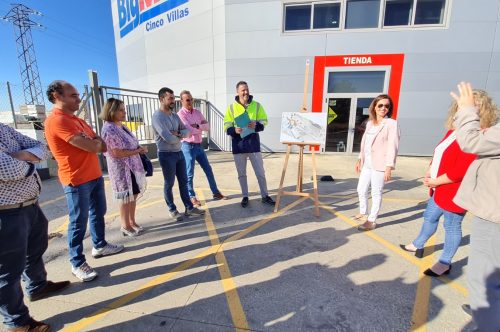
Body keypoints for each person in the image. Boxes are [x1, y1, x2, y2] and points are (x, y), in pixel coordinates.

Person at [400, 89, 497, 277]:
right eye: (463, 104)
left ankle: (445, 262)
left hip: (454, 190)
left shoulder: (479, 135)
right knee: (429, 217)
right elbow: (440, 152)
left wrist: (436, 180)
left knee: (452, 227)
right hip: (439, 188)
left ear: (482, 109)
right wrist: (430, 169)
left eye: (472, 104)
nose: (465, 107)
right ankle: (418, 244)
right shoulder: (454, 130)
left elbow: (461, 170)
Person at [45, 80, 124, 282]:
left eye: (79, 95)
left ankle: (100, 245)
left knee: (99, 212)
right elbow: (92, 146)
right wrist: (93, 143)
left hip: (94, 175)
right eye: (73, 95)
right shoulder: (57, 120)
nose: (79, 99)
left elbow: (101, 144)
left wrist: (94, 142)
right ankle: (77, 262)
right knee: (78, 222)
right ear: (57, 96)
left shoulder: (77, 120)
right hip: (76, 179)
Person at [0, 123, 70, 332]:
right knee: (8, 271)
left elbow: (42, 147)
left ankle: (37, 286)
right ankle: (18, 323)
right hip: (6, 211)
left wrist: (19, 155)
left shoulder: (4, 129)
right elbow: (7, 168)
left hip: (30, 204)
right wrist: (30, 160)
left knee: (35, 250)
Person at [451, 81, 500, 331]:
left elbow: (469, 144)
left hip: (494, 217)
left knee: (483, 282)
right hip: (491, 211)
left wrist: (467, 109)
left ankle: (487, 318)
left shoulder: (483, 131)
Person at [152, 87, 205, 221]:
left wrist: (178, 134)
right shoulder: (158, 117)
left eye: (173, 98)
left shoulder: (174, 115)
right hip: (166, 154)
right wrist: (180, 136)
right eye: (170, 98)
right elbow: (168, 138)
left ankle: (189, 208)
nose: (173, 101)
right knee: (169, 183)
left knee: (184, 181)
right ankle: (172, 209)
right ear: (161, 99)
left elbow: (187, 131)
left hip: (178, 152)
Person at [100, 98, 148, 237]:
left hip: (133, 166)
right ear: (111, 111)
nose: (124, 112)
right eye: (120, 110)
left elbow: (131, 144)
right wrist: (137, 151)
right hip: (122, 169)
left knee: (133, 195)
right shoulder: (109, 128)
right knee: (125, 197)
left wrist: (138, 148)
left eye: (123, 109)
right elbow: (116, 152)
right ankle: (125, 225)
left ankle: (132, 221)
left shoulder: (122, 126)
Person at [223, 81, 275, 208]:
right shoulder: (231, 108)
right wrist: (233, 130)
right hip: (238, 146)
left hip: (253, 145)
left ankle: (265, 195)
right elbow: (226, 125)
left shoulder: (257, 106)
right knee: (241, 174)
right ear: (237, 92)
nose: (245, 92)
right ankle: (245, 196)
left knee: (260, 173)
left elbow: (264, 122)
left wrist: (256, 125)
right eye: (242, 90)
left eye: (246, 89)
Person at [354, 94, 400, 231]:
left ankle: (372, 220)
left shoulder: (391, 124)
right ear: (374, 106)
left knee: (376, 192)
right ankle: (363, 212)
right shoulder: (369, 123)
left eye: (387, 106)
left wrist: (389, 167)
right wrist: (359, 158)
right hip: (367, 163)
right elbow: (364, 143)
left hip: (380, 164)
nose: (383, 108)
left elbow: (393, 146)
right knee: (360, 189)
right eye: (380, 105)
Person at [177, 90, 226, 206]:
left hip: (199, 146)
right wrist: (200, 127)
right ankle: (191, 197)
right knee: (189, 173)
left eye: (192, 99)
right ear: (182, 101)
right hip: (188, 146)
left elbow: (207, 126)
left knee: (208, 169)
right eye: (188, 100)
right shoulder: (180, 114)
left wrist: (198, 126)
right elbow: (188, 130)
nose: (190, 102)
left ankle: (215, 192)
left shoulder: (197, 112)